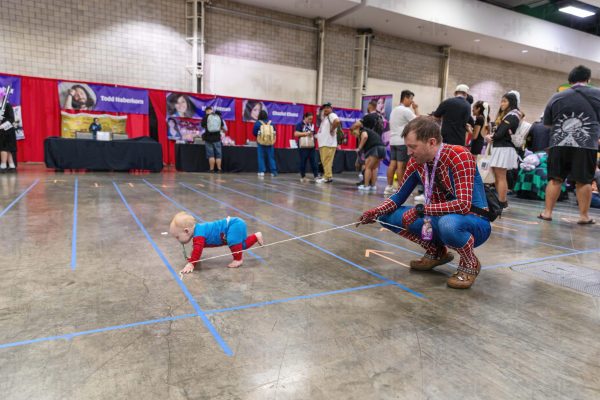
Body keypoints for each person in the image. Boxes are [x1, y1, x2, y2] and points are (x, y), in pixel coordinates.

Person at [357, 116, 491, 289]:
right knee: (385, 215)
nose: (409, 153)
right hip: (436, 217)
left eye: (413, 147)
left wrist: (422, 210)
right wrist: (374, 212)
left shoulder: (459, 155)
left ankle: (470, 262)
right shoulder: (416, 162)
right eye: (407, 147)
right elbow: (398, 196)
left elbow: (463, 205)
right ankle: (436, 252)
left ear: (431, 142)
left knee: (448, 223)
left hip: (473, 221)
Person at [539, 65, 600, 224]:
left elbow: (547, 124)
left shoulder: (556, 96)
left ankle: (547, 213)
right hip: (586, 145)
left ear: (569, 80)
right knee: (584, 180)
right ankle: (584, 216)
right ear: (588, 79)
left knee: (555, 179)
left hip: (558, 144)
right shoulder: (598, 94)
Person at [170, 211, 264, 271]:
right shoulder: (198, 232)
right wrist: (193, 258)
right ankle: (256, 236)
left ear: (186, 231)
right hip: (237, 223)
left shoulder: (199, 234)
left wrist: (192, 263)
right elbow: (196, 248)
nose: (177, 240)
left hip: (234, 224)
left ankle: (238, 259)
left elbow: (198, 249)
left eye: (177, 237)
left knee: (234, 243)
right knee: (241, 246)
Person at [485, 92, 521, 210]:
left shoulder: (513, 115)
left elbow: (501, 132)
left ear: (511, 102)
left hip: (504, 148)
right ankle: (501, 201)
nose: (502, 104)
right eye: (501, 101)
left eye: (505, 101)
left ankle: (502, 202)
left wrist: (492, 137)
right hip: (501, 147)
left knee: (501, 176)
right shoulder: (509, 115)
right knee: (498, 176)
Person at [384, 90, 418, 195]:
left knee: (392, 164)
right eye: (411, 99)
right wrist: (416, 109)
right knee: (401, 166)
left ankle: (389, 187)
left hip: (393, 141)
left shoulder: (394, 110)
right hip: (402, 142)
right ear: (406, 98)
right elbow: (419, 122)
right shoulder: (405, 110)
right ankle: (401, 189)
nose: (412, 102)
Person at [351, 119, 385, 192]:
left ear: (357, 129)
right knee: (374, 168)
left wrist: (359, 148)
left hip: (374, 148)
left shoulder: (363, 130)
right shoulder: (369, 131)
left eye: (354, 133)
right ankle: (373, 186)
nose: (355, 136)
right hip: (382, 148)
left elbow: (365, 137)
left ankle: (366, 186)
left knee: (368, 168)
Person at [315, 102, 340, 184]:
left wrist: (332, 129)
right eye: (324, 108)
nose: (325, 109)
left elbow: (337, 121)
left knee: (327, 161)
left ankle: (327, 177)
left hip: (328, 143)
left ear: (331, 109)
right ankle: (327, 176)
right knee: (325, 161)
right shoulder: (325, 118)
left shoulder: (332, 115)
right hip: (324, 143)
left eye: (327, 107)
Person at [294, 112, 318, 183]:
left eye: (311, 119)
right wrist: (306, 133)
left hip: (311, 146)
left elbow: (314, 134)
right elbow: (296, 134)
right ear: (305, 117)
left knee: (314, 161)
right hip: (303, 146)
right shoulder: (299, 124)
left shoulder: (312, 125)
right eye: (309, 119)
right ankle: (303, 176)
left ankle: (316, 176)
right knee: (303, 162)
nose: (310, 120)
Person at [253, 109, 277, 177]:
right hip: (270, 142)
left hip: (261, 142)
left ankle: (261, 171)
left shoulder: (258, 123)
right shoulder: (271, 123)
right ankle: (273, 172)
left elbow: (254, 133)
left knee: (261, 157)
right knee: (271, 157)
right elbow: (275, 132)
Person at [200, 106, 224, 173]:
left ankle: (211, 169)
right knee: (219, 154)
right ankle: (219, 169)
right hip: (217, 138)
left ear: (206, 111)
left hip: (208, 139)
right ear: (211, 110)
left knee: (211, 155)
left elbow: (202, 125)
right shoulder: (218, 116)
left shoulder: (205, 117)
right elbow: (222, 126)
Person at [0, 88, 17, 172]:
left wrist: (2, 126)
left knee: (3, 148)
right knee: (8, 149)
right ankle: (11, 165)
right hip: (2, 131)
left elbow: (11, 119)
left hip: (7, 131)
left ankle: (3, 166)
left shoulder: (7, 105)